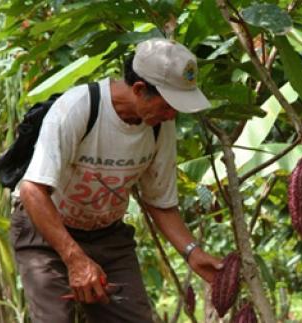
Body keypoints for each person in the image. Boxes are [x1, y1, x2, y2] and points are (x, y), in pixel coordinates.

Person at [13, 38, 223, 322]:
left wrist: (192, 252)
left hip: (107, 236)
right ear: (140, 90)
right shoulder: (77, 109)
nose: (173, 114)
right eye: (169, 104)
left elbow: (159, 201)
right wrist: (74, 258)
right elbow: (32, 190)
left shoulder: (160, 126)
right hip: (45, 233)